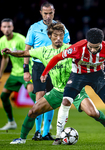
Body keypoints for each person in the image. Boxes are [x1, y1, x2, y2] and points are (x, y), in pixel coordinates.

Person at [2, 21, 105, 145]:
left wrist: (99, 63)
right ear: (49, 36)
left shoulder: (71, 49)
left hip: (75, 89)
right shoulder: (42, 51)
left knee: (93, 113)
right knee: (33, 111)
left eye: (61, 35)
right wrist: (10, 52)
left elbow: (89, 53)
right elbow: (24, 53)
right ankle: (22, 139)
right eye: (55, 35)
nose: (58, 38)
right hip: (57, 91)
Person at [41, 28, 105, 144]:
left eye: (96, 47)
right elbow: (57, 58)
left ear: (101, 43)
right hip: (78, 75)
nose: (93, 50)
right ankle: (58, 137)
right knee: (65, 102)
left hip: (97, 75)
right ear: (87, 42)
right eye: (91, 47)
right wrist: (45, 73)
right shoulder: (77, 48)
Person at [23, 2, 70, 140]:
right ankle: (37, 132)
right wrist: (26, 69)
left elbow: (68, 47)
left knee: (51, 96)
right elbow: (27, 49)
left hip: (56, 65)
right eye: (45, 13)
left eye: (50, 13)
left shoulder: (61, 28)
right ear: (41, 13)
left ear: (54, 12)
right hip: (38, 65)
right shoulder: (34, 28)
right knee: (40, 96)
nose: (48, 16)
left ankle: (45, 133)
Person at [0, 18, 36, 130]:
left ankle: (44, 123)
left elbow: (28, 54)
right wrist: (0, 73)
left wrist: (26, 70)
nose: (6, 29)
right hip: (15, 73)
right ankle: (11, 122)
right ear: (1, 28)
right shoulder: (2, 41)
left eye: (9, 26)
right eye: (4, 27)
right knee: (3, 96)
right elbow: (5, 58)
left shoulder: (21, 39)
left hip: (27, 71)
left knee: (33, 96)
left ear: (12, 27)